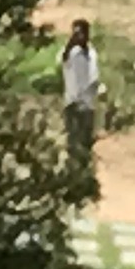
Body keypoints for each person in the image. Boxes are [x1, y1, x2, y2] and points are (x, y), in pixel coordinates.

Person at [60, 19, 101, 190]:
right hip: (71, 103)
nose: (79, 37)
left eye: (82, 33)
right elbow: (62, 62)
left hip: (86, 105)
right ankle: (72, 179)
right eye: (76, 33)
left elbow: (94, 79)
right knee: (72, 141)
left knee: (84, 141)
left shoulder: (90, 54)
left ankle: (84, 178)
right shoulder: (70, 52)